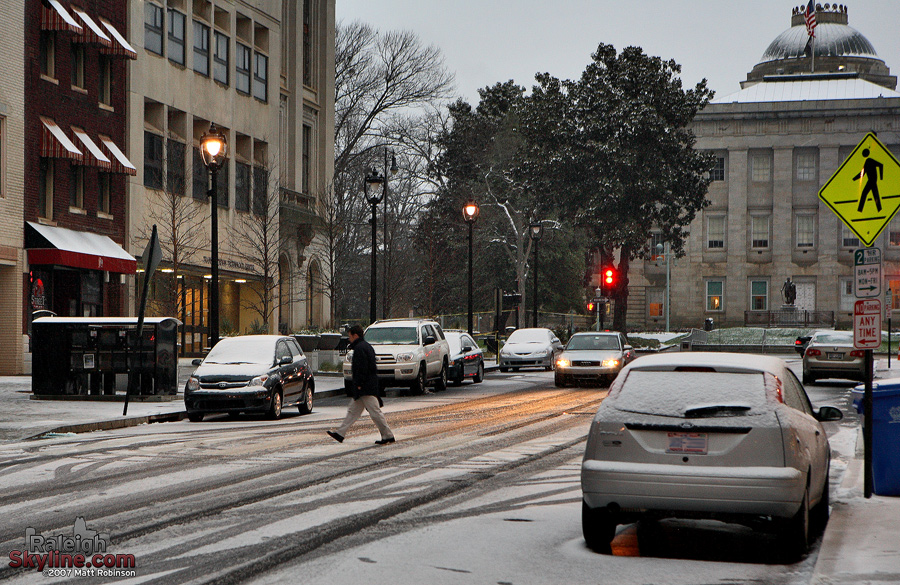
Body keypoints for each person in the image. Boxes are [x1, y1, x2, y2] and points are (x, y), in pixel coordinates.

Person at [327, 324, 395, 445]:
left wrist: (359, 384)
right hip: (367, 386)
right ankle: (340, 433)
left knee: (374, 413)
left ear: (355, 335)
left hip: (365, 387)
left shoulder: (360, 349)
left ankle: (388, 435)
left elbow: (362, 368)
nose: (349, 339)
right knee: (353, 411)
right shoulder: (365, 346)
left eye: (350, 336)